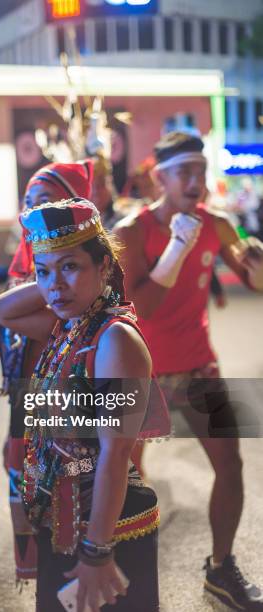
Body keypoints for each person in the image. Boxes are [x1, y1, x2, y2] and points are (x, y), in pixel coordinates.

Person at [0, 197, 168, 612]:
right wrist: (58, 270)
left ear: (103, 265)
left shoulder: (114, 340)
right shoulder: (70, 327)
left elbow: (115, 453)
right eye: (43, 272)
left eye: (71, 267)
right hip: (67, 516)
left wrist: (97, 552)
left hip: (108, 525)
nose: (55, 285)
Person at [114, 131, 263, 610]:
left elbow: (252, 278)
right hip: (141, 370)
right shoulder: (131, 233)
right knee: (127, 475)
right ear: (161, 177)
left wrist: (254, 259)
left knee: (231, 465)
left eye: (201, 170)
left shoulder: (217, 224)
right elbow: (145, 308)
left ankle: (220, 568)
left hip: (199, 364)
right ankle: (122, 573)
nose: (196, 180)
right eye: (185, 171)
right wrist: (177, 248)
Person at [0, 160, 94, 582]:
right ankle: (44, 573)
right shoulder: (28, 261)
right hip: (28, 390)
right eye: (29, 202)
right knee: (27, 472)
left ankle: (86, 564)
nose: (35, 213)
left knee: (78, 478)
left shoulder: (85, 281)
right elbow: (0, 312)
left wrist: (53, 265)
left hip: (67, 391)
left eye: (47, 202)